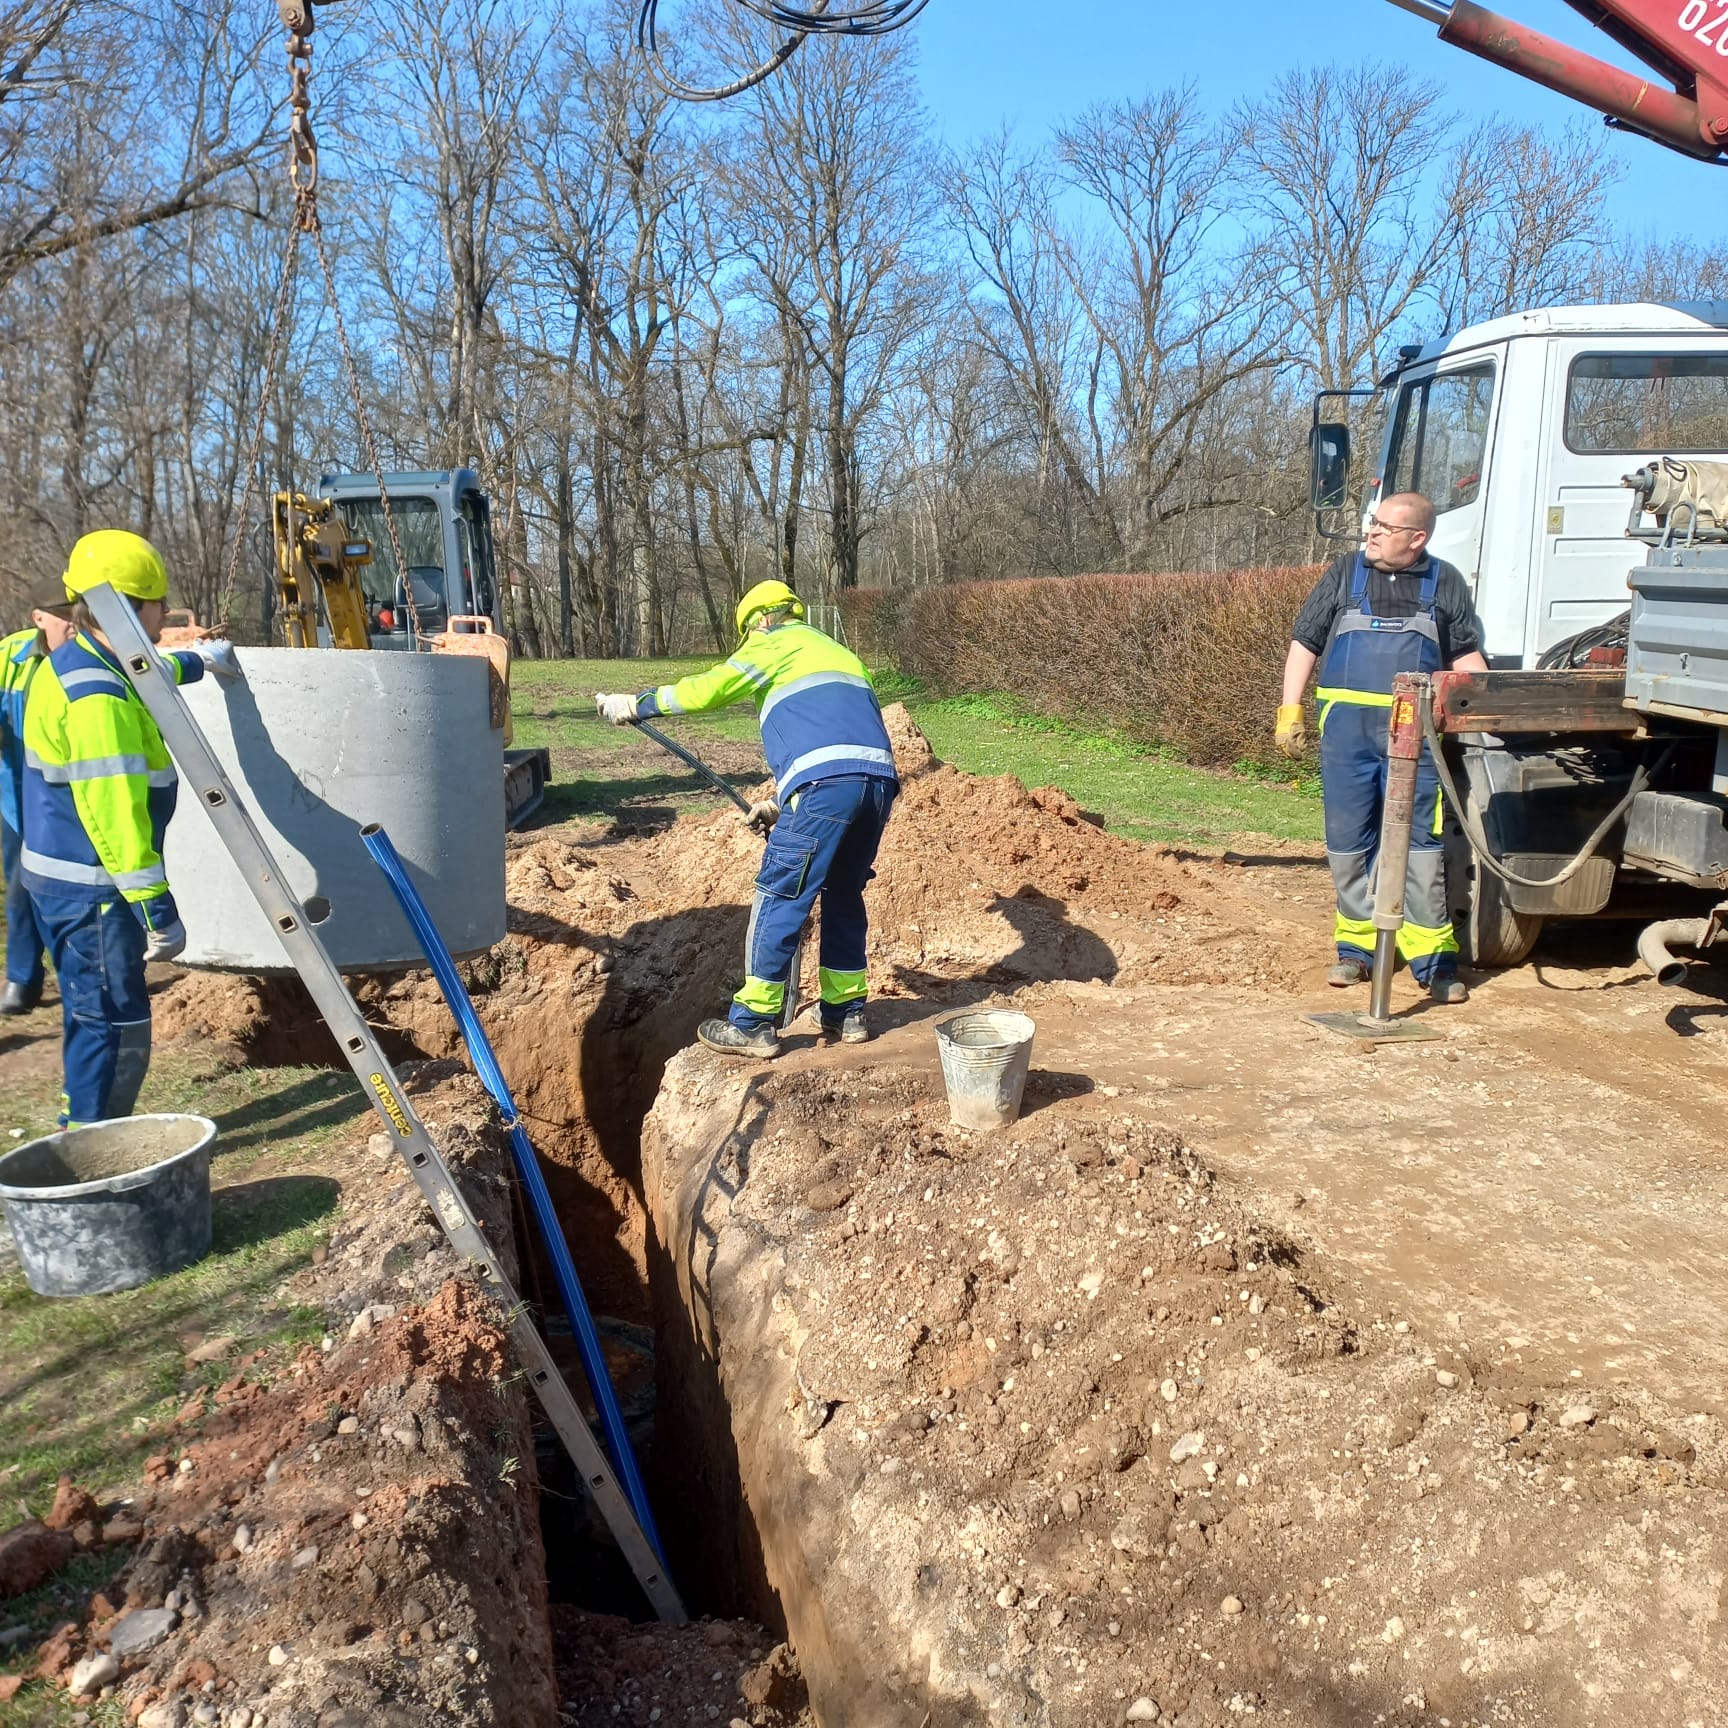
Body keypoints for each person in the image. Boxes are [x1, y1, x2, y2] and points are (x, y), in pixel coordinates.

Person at [596, 580, 899, 1057]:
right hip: (877, 784)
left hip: (825, 789)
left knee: (779, 895)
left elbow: (706, 689)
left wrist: (637, 703)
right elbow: (836, 734)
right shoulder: (838, 651)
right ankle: (846, 1012)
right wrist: (782, 805)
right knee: (844, 891)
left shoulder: (772, 643)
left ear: (759, 621)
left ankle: (753, 1023)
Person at [21, 530, 240, 1125]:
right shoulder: (97, 697)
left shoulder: (81, 660)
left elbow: (148, 672)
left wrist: (200, 660)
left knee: (89, 1015)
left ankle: (83, 1123)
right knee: (115, 1023)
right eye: (155, 603)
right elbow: (115, 811)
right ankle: (96, 1150)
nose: (165, 613)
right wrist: (155, 906)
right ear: (124, 606)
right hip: (93, 886)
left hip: (65, 877)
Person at [1276, 492, 1488, 1004]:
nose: (1370, 532)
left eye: (1384, 526)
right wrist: (1290, 710)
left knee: (1420, 846)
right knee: (1348, 843)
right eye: (1373, 523)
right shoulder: (1345, 574)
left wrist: (1494, 713)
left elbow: (1466, 656)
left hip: (1416, 740)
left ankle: (1433, 958)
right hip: (1347, 738)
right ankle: (1357, 950)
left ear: (1417, 539)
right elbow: (1305, 641)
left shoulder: (1445, 582)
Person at [0, 579, 77, 1014]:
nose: (72, 624)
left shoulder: (90, 655)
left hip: (75, 798)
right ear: (39, 618)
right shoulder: (10, 657)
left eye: (77, 614)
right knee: (20, 887)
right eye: (63, 616)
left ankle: (80, 978)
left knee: (74, 893)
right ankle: (23, 980)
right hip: (17, 796)